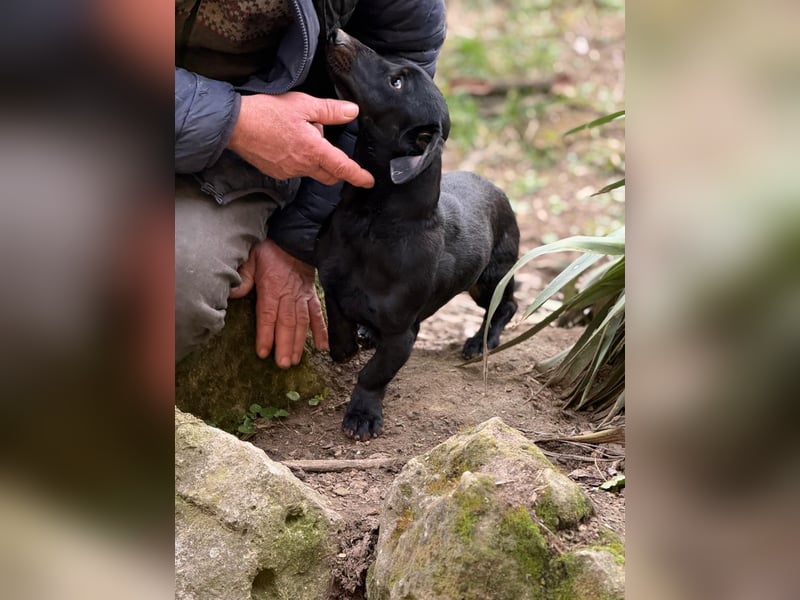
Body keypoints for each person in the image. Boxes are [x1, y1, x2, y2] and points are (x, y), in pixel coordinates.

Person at [175, 0, 446, 367]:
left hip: (237, 165)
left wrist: (297, 240)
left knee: (174, 293)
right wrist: (232, 121)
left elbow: (392, 89)